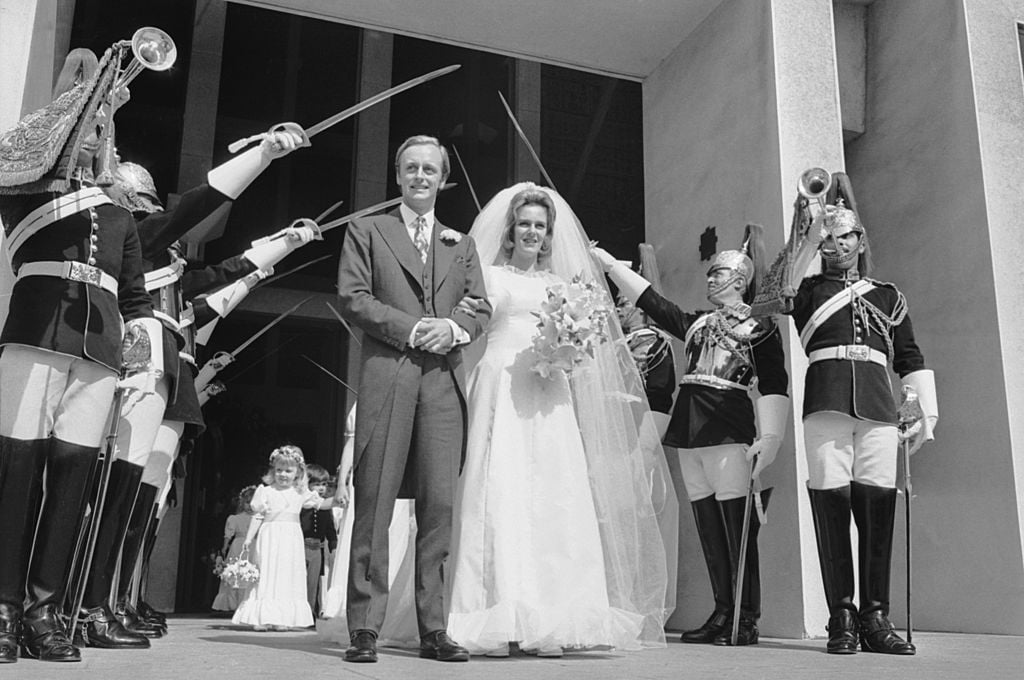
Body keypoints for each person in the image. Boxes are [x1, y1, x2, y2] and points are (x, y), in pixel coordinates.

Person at [446, 183, 671, 657]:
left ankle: (553, 615)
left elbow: (587, 340)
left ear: (550, 235)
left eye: (540, 226)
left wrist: (569, 348)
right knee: (499, 491)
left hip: (550, 392)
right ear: (510, 230)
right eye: (525, 223)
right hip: (501, 385)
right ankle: (494, 610)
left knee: (554, 494)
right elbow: (470, 327)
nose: (532, 232)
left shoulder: (562, 287)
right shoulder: (487, 275)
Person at [0, 47, 162, 663]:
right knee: (17, 477)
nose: (95, 138)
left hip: (97, 358)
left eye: (103, 130)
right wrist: (85, 92)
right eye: (88, 126)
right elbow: (26, 150)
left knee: (70, 485)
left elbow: (139, 297)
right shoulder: (23, 190)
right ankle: (4, 611)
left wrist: (139, 353)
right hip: (35, 340)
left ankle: (45, 614)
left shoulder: (120, 216)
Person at [592, 224, 789, 646]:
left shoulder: (760, 327)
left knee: (736, 526)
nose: (710, 280)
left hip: (728, 424)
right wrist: (609, 265)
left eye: (717, 274)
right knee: (707, 524)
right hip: (691, 426)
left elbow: (774, 382)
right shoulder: (697, 324)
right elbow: (653, 303)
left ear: (739, 280)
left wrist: (771, 435)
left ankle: (745, 615)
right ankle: (722, 610)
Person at [336, 135, 491, 664]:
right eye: (411, 168)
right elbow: (354, 297)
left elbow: (480, 306)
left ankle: (434, 628)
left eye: (430, 169)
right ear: (398, 176)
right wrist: (413, 327)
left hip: (443, 381)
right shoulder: (368, 230)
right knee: (375, 500)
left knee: (440, 505)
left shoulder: (460, 242)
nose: (420, 176)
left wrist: (452, 328)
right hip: (390, 372)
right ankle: (364, 629)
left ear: (442, 177)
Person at [782, 197, 937, 655]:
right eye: (828, 239)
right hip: (826, 401)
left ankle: (875, 617)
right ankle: (841, 618)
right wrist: (808, 232)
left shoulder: (887, 295)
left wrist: (924, 412)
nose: (836, 245)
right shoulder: (806, 290)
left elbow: (908, 357)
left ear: (859, 239)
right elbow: (776, 292)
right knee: (830, 508)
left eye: (844, 236)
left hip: (877, 405)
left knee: (876, 512)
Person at [317, 403, 419, 648]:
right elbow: (351, 445)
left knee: (396, 540)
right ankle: (357, 607)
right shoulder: (362, 402)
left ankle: (388, 605)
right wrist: (341, 483)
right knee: (364, 535)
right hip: (367, 475)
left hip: (400, 479)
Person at [233, 445, 335, 631]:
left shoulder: (300, 492)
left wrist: (339, 500)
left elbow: (321, 503)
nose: (283, 474)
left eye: (288, 471)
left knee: (287, 574)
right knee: (267, 571)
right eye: (279, 470)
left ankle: (282, 618)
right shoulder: (265, 491)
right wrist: (248, 539)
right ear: (273, 470)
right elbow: (258, 516)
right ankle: (262, 618)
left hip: (291, 538)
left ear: (298, 472)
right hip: (270, 536)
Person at [300, 464, 339, 618]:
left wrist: (333, 546)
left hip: (318, 548)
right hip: (302, 546)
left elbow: (330, 528)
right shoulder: (302, 504)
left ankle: (310, 613)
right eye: (316, 484)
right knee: (299, 580)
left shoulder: (325, 506)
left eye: (324, 484)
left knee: (313, 583)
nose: (321, 488)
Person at [212, 486, 257, 612]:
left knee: (251, 572)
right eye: (247, 502)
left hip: (254, 546)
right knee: (235, 573)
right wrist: (223, 550)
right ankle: (232, 603)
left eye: (253, 503)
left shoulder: (259, 518)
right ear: (242, 503)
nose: (250, 506)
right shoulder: (235, 518)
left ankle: (248, 603)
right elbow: (228, 536)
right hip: (238, 546)